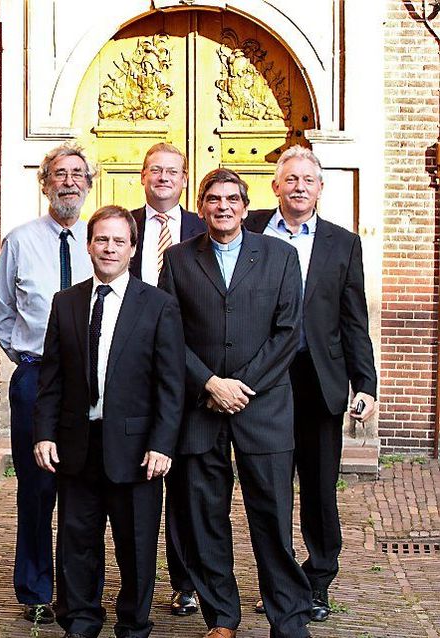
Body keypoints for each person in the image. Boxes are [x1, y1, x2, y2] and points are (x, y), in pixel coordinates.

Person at [159, 168, 311, 638]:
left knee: (272, 521)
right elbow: (169, 334)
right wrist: (208, 383)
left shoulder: (280, 257)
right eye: (213, 199)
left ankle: (288, 620)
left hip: (263, 409)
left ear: (246, 208)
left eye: (231, 199)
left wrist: (239, 386)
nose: (222, 207)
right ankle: (222, 618)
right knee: (205, 521)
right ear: (201, 207)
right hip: (201, 410)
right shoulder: (180, 260)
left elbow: (289, 332)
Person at [34, 205, 185, 638]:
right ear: (89, 244)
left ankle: (134, 625)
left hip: (138, 450)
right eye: (102, 239)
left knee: (136, 546)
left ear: (133, 249)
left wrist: (162, 444)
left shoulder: (158, 306)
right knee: (77, 542)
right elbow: (52, 377)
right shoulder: (66, 302)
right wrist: (44, 433)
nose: (110, 248)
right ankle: (80, 622)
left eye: (119, 241)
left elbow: (170, 385)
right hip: (78, 444)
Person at [245, 146, 377, 622]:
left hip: (320, 381)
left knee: (320, 491)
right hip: (266, 380)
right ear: (275, 186)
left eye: (309, 179)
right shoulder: (250, 228)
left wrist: (366, 383)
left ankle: (318, 582)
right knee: (270, 491)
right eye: (291, 179)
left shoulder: (343, 244)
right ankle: (279, 586)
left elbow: (353, 319)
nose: (299, 186)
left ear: (320, 188)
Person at [0, 143, 95, 624]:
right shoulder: (19, 240)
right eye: (59, 174)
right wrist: (28, 360)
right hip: (36, 375)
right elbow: (3, 311)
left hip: (93, 381)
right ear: (44, 182)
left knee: (87, 487)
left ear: (89, 184)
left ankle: (78, 590)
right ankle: (35, 588)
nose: (68, 182)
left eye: (78, 174)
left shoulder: (107, 239)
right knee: (36, 487)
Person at [128, 142, 206, 617]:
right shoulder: (120, 226)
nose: (163, 178)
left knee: (184, 482)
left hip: (187, 372)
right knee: (134, 479)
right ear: (142, 176)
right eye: (155, 170)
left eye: (172, 172)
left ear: (183, 180)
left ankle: (186, 581)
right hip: (131, 372)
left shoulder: (204, 226)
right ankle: (134, 580)